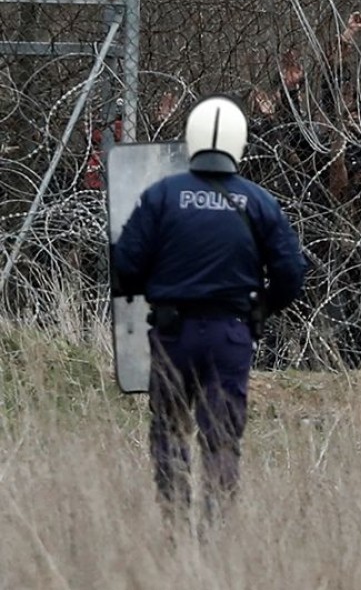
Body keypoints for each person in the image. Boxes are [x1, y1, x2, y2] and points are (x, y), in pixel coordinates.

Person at [112, 95, 307, 527]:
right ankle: (215, 531)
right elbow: (291, 272)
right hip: (230, 333)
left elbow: (125, 264)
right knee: (221, 438)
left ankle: (175, 525)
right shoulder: (258, 202)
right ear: (238, 143)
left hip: (172, 333)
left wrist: (154, 288)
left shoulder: (162, 195)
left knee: (169, 428)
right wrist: (263, 306)